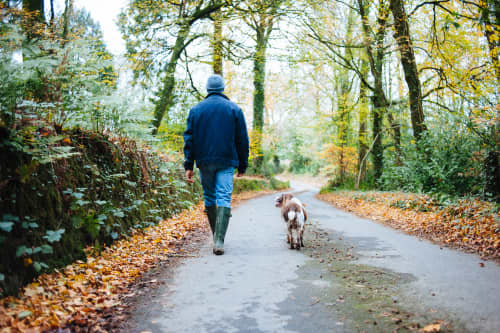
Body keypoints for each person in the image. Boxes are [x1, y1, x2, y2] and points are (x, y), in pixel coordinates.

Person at [183, 74, 249, 255]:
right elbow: (242, 139)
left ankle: (216, 236)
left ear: (207, 89)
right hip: (227, 160)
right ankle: (219, 240)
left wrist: (189, 165)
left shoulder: (196, 110)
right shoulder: (234, 109)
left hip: (204, 161)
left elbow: (189, 139)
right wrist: (243, 164)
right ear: (222, 88)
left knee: (210, 197)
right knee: (224, 197)